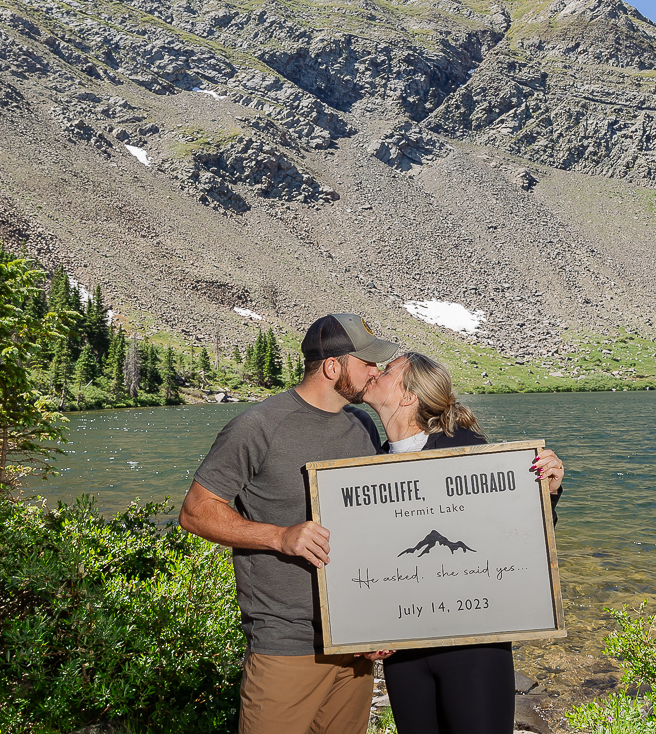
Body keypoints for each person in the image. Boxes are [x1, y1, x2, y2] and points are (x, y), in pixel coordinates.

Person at [179, 313, 399, 734]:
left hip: (354, 647)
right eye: (367, 362)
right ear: (333, 367)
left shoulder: (364, 425)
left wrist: (380, 620)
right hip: (285, 646)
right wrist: (280, 537)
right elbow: (195, 512)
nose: (376, 371)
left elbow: (379, 525)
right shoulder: (257, 426)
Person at [360, 351, 565, 734]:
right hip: (405, 652)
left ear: (409, 396)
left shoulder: (468, 450)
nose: (374, 372)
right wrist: (365, 628)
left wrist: (546, 495)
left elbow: (515, 542)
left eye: (387, 370)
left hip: (473, 649)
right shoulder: (367, 464)